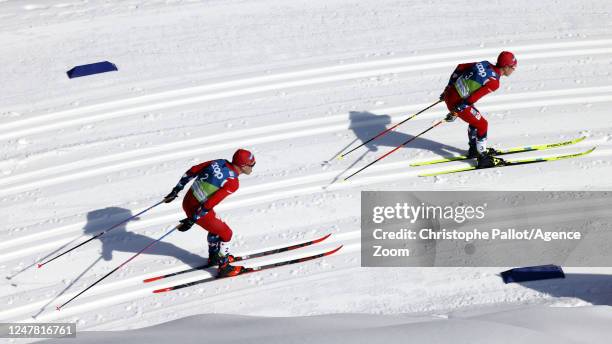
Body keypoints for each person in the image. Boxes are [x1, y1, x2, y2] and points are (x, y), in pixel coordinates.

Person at [163, 149, 256, 277]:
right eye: (252, 165)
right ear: (243, 166)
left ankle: (214, 257)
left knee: (216, 228)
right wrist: (193, 219)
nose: (252, 168)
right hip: (198, 209)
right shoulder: (232, 182)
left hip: (188, 201)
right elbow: (210, 203)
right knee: (226, 233)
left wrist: (176, 189)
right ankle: (224, 268)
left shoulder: (219, 162)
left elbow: (193, 170)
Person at [440, 51, 517, 168]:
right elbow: (473, 97)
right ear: (505, 67)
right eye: (512, 67)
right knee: (482, 125)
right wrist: (457, 110)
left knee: (475, 119)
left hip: (450, 94)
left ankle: (474, 149)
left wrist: (448, 88)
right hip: (457, 103)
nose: (513, 69)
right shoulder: (494, 82)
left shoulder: (484, 64)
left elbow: (460, 67)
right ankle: (482, 157)